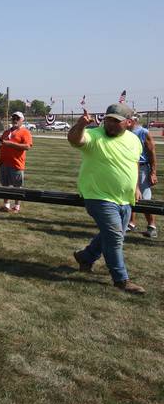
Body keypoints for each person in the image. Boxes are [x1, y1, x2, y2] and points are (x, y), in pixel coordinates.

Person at [68, 104, 145, 294]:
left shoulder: (134, 140)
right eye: (108, 119)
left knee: (112, 235)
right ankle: (121, 279)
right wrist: (80, 126)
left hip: (125, 199)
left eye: (116, 121)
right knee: (114, 238)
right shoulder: (95, 135)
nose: (110, 124)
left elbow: (134, 163)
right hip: (98, 196)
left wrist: (135, 187)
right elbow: (75, 141)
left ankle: (86, 257)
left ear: (128, 122)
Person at [0, 111, 33, 212]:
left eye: (17, 118)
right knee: (5, 185)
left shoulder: (25, 132)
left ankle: (16, 207)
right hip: (3, 162)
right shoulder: (6, 132)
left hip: (16, 163)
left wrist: (10, 144)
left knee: (17, 187)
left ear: (22, 120)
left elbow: (27, 146)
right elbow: (0, 146)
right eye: (13, 118)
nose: (15, 120)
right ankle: (6, 205)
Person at [128, 115, 158, 237]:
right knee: (129, 195)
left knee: (145, 198)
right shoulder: (124, 133)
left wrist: (153, 172)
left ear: (134, 120)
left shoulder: (143, 132)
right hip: (128, 167)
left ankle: (152, 226)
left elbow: (152, 152)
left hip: (142, 168)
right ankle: (131, 223)